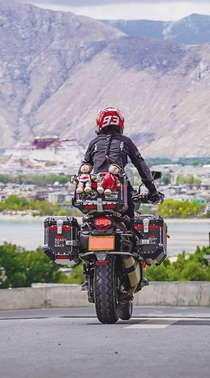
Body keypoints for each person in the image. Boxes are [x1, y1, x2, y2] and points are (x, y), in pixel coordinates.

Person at [79, 106, 162, 292]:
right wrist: (153, 191)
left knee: (86, 227)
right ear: (120, 124)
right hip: (119, 192)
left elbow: (84, 168)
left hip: (94, 193)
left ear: (100, 124)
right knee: (132, 226)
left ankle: (86, 274)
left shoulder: (94, 143)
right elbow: (142, 167)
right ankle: (138, 269)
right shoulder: (126, 142)